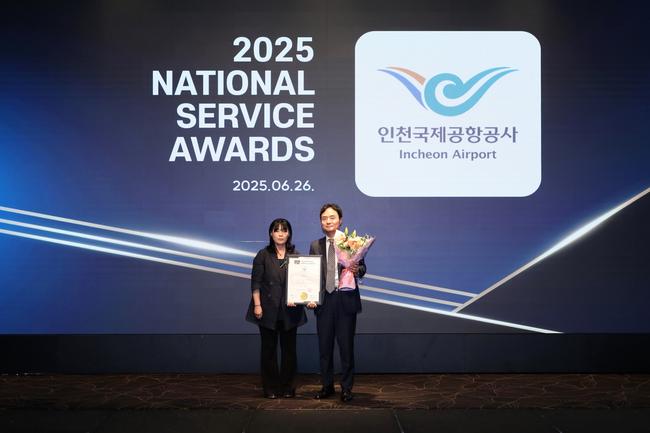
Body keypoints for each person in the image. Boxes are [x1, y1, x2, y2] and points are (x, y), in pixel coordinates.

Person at [308, 203, 365, 402]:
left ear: (340, 220)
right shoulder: (315, 245)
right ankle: (327, 386)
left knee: (346, 348)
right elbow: (311, 275)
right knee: (324, 348)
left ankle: (347, 388)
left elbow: (362, 268)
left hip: (345, 299)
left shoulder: (351, 242)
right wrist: (310, 297)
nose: (328, 221)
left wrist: (357, 269)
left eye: (332, 217)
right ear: (321, 222)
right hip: (324, 301)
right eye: (324, 218)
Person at [245, 218, 307, 399]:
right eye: (277, 230)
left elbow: (303, 283)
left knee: (289, 352)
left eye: (284, 230)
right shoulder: (262, 255)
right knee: (268, 350)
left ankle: (288, 387)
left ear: (289, 234)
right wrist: (257, 305)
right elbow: (255, 283)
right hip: (266, 310)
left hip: (290, 310)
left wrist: (302, 298)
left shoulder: (296, 255)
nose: (280, 233)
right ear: (271, 233)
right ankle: (270, 388)